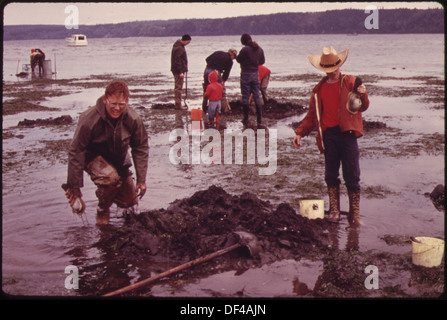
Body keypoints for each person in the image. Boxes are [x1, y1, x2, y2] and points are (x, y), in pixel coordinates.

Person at [293, 46, 369, 227]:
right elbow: (312, 115)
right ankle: (334, 210)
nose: (332, 73)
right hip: (329, 136)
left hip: (348, 134)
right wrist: (299, 133)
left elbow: (363, 106)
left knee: (352, 174)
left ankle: (355, 214)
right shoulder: (318, 90)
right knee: (330, 174)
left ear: (339, 65)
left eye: (334, 68)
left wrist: (364, 95)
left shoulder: (351, 82)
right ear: (323, 69)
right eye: (328, 70)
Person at [64, 80, 149, 225]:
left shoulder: (133, 119)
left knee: (130, 200)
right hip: (93, 158)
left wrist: (141, 180)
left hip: (118, 159)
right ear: (105, 100)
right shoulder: (88, 119)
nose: (117, 108)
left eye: (121, 104)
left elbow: (140, 147)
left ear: (127, 102)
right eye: (113, 104)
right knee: (110, 178)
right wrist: (74, 186)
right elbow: (76, 151)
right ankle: (102, 210)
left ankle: (108, 192)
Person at [236, 33, 265, 126]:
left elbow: (238, 60)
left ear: (243, 41)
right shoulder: (259, 49)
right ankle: (259, 119)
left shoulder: (245, 49)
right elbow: (262, 61)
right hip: (255, 74)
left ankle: (245, 118)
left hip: (245, 74)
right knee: (257, 95)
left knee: (245, 96)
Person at [202, 48, 237, 113]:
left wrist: (212, 65)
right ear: (232, 54)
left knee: (206, 89)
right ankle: (225, 110)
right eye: (234, 57)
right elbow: (227, 73)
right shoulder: (229, 61)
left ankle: (204, 109)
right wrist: (222, 81)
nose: (233, 59)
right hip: (216, 72)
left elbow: (207, 59)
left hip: (207, 70)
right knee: (221, 91)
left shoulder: (218, 52)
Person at [171, 34, 192, 110]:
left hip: (177, 70)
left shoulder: (178, 46)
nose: (188, 43)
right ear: (185, 40)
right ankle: (178, 105)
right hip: (178, 71)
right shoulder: (179, 48)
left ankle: (178, 103)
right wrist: (180, 72)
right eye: (188, 42)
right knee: (178, 87)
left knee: (178, 87)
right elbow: (177, 61)